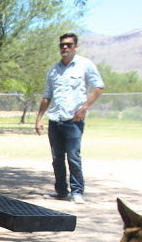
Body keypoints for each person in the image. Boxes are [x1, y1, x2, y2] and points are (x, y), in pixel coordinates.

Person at [34, 33, 105, 203]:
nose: (65, 48)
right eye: (62, 45)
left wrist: (85, 107)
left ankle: (77, 191)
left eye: (69, 44)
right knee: (57, 158)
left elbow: (98, 87)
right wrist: (39, 118)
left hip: (73, 121)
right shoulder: (54, 70)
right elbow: (47, 96)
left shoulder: (85, 65)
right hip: (55, 119)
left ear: (75, 46)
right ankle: (60, 191)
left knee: (73, 156)